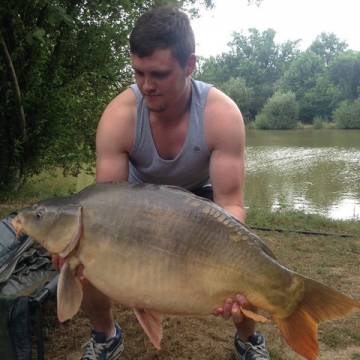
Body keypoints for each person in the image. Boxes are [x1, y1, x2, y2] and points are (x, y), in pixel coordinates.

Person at [53, 6, 270, 360]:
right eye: (138, 73)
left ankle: (249, 340)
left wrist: (228, 256)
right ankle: (106, 335)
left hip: (200, 201)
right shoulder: (119, 116)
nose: (146, 85)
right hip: (135, 200)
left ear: (189, 65)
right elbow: (105, 202)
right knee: (84, 258)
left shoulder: (221, 114)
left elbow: (230, 203)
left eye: (159, 74)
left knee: (239, 272)